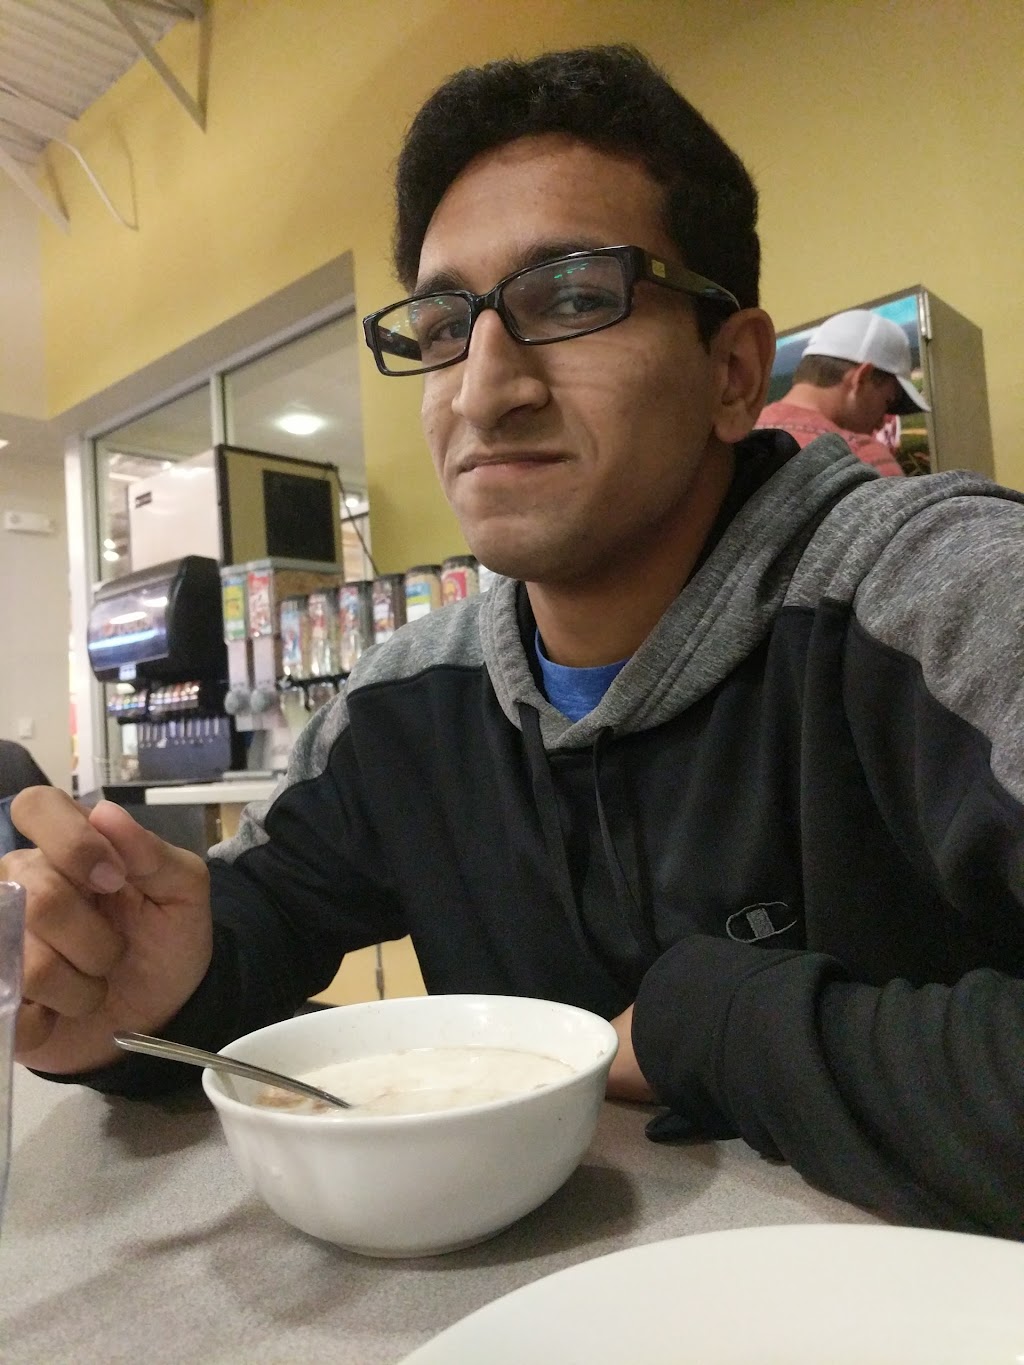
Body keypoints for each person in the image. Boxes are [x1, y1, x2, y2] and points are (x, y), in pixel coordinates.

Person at [4, 46, 1023, 1241]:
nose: (484, 390)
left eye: (575, 298)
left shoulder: (935, 595)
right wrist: (138, 985)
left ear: (733, 371)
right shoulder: (407, 701)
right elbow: (249, 929)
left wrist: (715, 1025)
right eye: (444, 326)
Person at [754, 308, 930, 476]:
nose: (880, 424)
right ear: (862, 377)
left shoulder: (744, 436)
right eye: (888, 402)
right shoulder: (864, 460)